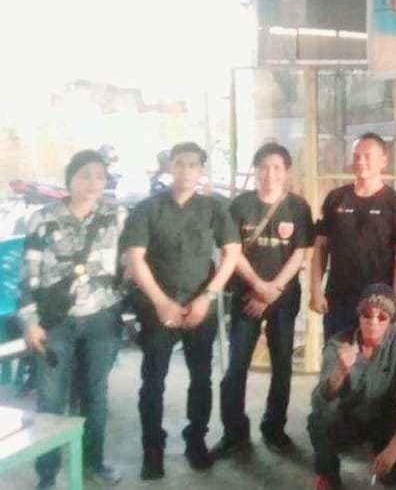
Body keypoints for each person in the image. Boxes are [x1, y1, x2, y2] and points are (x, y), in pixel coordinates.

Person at [122, 141, 242, 479]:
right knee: (153, 380)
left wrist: (207, 297)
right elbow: (135, 257)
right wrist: (161, 303)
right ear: (169, 166)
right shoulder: (148, 208)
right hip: (157, 308)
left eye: (193, 164)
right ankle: (153, 449)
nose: (186, 170)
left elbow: (232, 252)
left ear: (201, 170)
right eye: (179, 163)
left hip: (200, 307)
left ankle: (196, 440)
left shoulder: (213, 208)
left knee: (201, 377)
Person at [17, 150, 127, 488]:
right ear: (70, 178)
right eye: (85, 175)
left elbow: (131, 261)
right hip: (54, 321)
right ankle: (47, 473)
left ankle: (93, 463)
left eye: (99, 176)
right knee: (50, 398)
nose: (93, 182)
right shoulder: (43, 218)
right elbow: (28, 275)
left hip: (102, 318)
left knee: (95, 394)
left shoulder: (117, 215)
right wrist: (30, 321)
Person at [212, 143, 315, 458]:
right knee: (236, 366)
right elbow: (233, 252)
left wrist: (273, 291)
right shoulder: (240, 205)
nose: (270, 174)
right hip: (246, 298)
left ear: (286, 172)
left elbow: (299, 253)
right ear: (255, 170)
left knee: (282, 365)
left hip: (283, 298)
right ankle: (234, 432)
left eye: (277, 168)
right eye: (264, 168)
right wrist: (259, 287)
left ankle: (274, 428)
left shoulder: (298, 207)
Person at [308, 284, 396, 490]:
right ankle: (328, 474)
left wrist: (395, 445)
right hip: (346, 417)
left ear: (390, 320)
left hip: (383, 415)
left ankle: (382, 454)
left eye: (382, 317)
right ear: (359, 317)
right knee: (318, 421)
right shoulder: (338, 344)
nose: (373, 323)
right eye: (367, 315)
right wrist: (339, 372)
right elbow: (319, 403)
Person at [309, 133, 396, 341]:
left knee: (376, 359)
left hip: (378, 303)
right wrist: (315, 290)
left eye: (367, 156)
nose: (360, 161)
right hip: (338, 300)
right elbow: (320, 247)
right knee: (337, 358)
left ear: (383, 161)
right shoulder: (335, 198)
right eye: (356, 156)